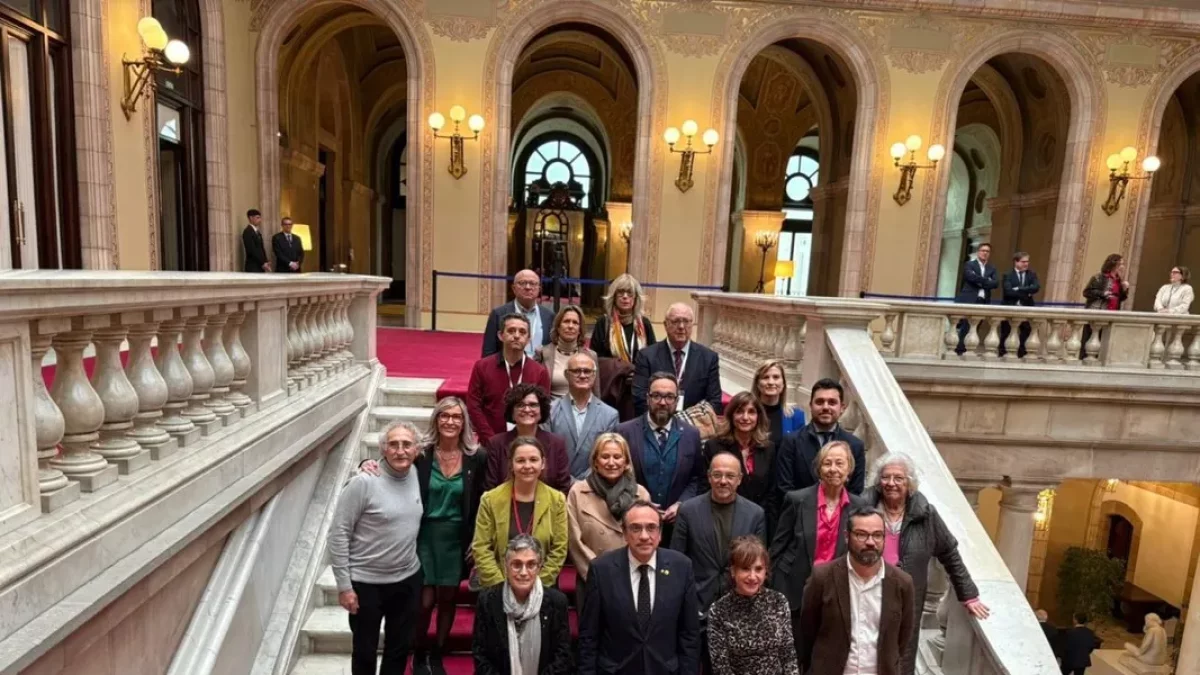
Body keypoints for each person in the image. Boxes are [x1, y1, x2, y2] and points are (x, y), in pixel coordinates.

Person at [357, 398, 487, 675]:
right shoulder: (421, 454)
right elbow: (392, 463)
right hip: (423, 536)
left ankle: (438, 652)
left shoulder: (477, 457)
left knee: (449, 599)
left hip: (456, 539)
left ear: (463, 422)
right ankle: (418, 651)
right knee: (424, 601)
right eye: (444, 416)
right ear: (436, 420)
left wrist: (478, 539)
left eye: (456, 416)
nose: (450, 421)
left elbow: (479, 502)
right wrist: (366, 462)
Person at [862, 452, 989, 674]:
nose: (891, 483)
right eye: (886, 477)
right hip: (866, 593)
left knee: (902, 654)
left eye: (898, 478)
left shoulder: (925, 514)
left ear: (909, 482)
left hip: (906, 599)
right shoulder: (862, 509)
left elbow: (949, 553)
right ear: (878, 481)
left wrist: (967, 593)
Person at [328, 420, 424, 675]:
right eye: (393, 444)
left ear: (416, 449)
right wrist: (344, 586)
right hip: (366, 584)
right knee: (365, 652)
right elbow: (338, 533)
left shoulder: (415, 473)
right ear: (382, 449)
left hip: (406, 580)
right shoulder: (364, 482)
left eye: (407, 444)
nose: (400, 450)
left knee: (398, 649)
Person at [578, 501, 701, 675]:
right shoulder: (601, 569)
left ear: (660, 533)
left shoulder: (681, 567)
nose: (644, 536)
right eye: (636, 528)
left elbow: (689, 635)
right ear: (625, 533)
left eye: (651, 528)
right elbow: (589, 636)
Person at [770, 440, 866, 654]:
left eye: (840, 463)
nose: (833, 469)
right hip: (794, 589)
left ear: (849, 468)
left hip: (834, 591)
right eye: (827, 463)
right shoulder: (797, 499)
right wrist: (774, 589)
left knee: (824, 654)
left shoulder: (860, 507)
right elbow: (777, 548)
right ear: (819, 469)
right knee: (791, 653)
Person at [798, 505, 915, 675]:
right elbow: (807, 631)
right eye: (861, 534)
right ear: (847, 537)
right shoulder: (822, 577)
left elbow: (902, 638)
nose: (870, 542)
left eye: (877, 535)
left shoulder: (902, 583)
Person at [566, 433, 650, 609]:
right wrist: (599, 574)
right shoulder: (578, 492)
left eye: (617, 457)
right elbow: (574, 541)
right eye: (605, 457)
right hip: (590, 578)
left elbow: (647, 538)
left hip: (631, 579)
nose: (611, 462)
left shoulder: (640, 494)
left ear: (626, 462)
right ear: (595, 461)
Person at [617, 372, 705, 539]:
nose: (663, 402)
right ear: (647, 398)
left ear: (677, 401)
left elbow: (697, 478)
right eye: (656, 396)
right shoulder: (624, 432)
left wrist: (682, 504)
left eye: (669, 397)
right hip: (635, 526)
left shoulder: (691, 434)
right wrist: (639, 502)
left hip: (676, 526)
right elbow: (617, 476)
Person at [472, 436, 568, 589]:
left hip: (543, 588)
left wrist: (536, 585)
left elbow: (559, 548)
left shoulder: (557, 500)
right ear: (511, 464)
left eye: (533, 460)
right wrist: (499, 586)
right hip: (499, 587)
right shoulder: (490, 500)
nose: (527, 465)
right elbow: (481, 547)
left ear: (543, 463)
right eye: (521, 460)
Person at [472, 535, 574, 675]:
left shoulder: (556, 602)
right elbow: (480, 654)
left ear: (539, 568)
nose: (524, 572)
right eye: (516, 565)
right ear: (506, 566)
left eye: (531, 565)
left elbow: (563, 656)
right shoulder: (488, 601)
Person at [706, 536, 799, 675]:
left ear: (765, 571)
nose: (752, 576)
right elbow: (721, 668)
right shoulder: (718, 611)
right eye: (745, 569)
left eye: (758, 569)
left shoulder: (779, 602)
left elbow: (788, 656)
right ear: (733, 571)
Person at [775, 378, 866, 496]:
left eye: (832, 402)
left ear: (842, 407)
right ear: (811, 406)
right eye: (820, 402)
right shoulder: (791, 442)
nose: (825, 407)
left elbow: (855, 491)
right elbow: (784, 488)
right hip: (799, 512)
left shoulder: (855, 446)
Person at [467, 314, 552, 441]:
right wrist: (490, 439)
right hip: (490, 442)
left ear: (528, 339)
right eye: (511, 331)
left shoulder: (539, 372)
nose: (517, 335)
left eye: (522, 332)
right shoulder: (482, 367)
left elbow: (542, 410)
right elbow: (473, 406)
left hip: (526, 444)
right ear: (501, 335)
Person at [632, 303, 722, 416]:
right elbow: (639, 398)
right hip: (657, 424)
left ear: (692, 324)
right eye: (675, 321)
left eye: (686, 321)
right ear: (665, 325)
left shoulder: (709, 358)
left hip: (694, 427)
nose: (681, 326)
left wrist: (687, 423)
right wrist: (663, 423)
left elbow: (714, 402)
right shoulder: (646, 356)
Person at [484, 384, 571, 493]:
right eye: (520, 405)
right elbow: (490, 488)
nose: (527, 409)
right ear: (512, 412)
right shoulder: (496, 444)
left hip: (549, 508)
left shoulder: (557, 444)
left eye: (533, 405)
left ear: (541, 410)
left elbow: (563, 488)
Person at [703, 391, 777, 519]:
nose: (745, 417)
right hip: (722, 516)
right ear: (731, 415)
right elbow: (705, 487)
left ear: (758, 416)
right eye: (739, 411)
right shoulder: (714, 446)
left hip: (759, 519)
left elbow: (772, 492)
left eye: (751, 412)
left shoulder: (768, 448)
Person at [546, 352, 618, 481]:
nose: (582, 375)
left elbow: (607, 455)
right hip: (558, 485)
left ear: (594, 375)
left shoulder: (610, 415)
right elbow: (547, 452)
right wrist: (570, 482)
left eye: (587, 371)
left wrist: (584, 483)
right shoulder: (550, 411)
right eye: (576, 371)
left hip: (594, 486)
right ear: (566, 375)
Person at [482, 269, 555, 358]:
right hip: (509, 369)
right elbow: (488, 353)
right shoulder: (498, 314)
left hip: (539, 369)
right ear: (514, 288)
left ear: (539, 289)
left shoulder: (549, 315)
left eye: (532, 283)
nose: (528, 287)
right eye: (522, 283)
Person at [535, 305, 599, 400]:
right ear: (558, 327)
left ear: (579, 329)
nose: (570, 326)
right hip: (552, 411)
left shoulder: (590, 356)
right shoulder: (542, 353)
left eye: (575, 323)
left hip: (582, 410)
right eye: (566, 321)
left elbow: (596, 394)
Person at [590, 274, 657, 363]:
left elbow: (653, 357)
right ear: (614, 297)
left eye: (630, 293)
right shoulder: (603, 322)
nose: (625, 297)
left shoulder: (645, 323)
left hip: (639, 375)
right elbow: (595, 358)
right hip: (612, 376)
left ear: (636, 298)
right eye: (620, 292)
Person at [955, 242, 997, 354]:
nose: (985, 253)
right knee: (966, 325)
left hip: (983, 300)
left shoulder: (991, 268)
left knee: (977, 325)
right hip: (970, 299)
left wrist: (980, 280)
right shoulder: (969, 264)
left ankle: (970, 348)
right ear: (978, 252)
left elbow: (995, 283)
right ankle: (960, 349)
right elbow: (970, 278)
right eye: (983, 250)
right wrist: (986, 280)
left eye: (987, 251)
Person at [752, 360, 804, 450]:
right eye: (765, 377)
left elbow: (799, 451)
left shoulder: (796, 416)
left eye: (776, 377)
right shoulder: (748, 413)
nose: (771, 382)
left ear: (783, 383)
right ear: (757, 384)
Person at [1000, 251, 1040, 358]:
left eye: (1027, 262)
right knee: (1006, 332)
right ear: (1016, 262)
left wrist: (1019, 289)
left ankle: (1022, 355)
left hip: (1027, 308)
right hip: (1010, 307)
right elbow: (1008, 291)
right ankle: (1003, 354)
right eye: (1023, 262)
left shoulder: (1032, 275)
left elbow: (1036, 287)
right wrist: (1027, 292)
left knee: (1026, 332)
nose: (1026, 264)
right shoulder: (1007, 275)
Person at [242, 208, 270, 272]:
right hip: (253, 266)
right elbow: (252, 250)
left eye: (260, 218)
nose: (260, 220)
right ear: (251, 218)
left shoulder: (257, 232)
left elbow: (261, 248)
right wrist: (263, 262)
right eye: (258, 218)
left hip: (260, 266)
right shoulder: (247, 231)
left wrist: (265, 261)